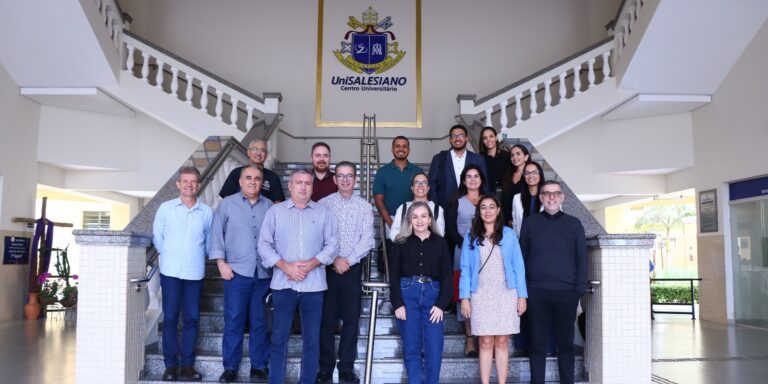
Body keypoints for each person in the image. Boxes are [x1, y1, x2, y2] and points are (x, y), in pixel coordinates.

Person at [258, 169, 339, 384]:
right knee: (278, 339)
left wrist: (312, 263)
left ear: (312, 187)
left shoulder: (323, 213)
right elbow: (264, 245)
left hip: (314, 286)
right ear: (290, 186)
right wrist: (285, 267)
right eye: (299, 183)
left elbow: (333, 244)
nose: (303, 187)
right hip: (283, 285)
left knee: (312, 341)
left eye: (307, 183)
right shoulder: (275, 212)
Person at [208, 165, 273, 383]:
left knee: (259, 322)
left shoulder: (270, 207)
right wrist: (220, 262)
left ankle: (259, 366)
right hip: (236, 273)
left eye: (257, 178)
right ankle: (230, 367)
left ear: (262, 182)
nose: (252, 182)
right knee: (234, 320)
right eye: (248, 178)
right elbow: (216, 234)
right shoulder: (227, 205)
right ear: (240, 181)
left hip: (264, 274)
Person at [519, 180, 588, 384]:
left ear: (562, 197)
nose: (551, 197)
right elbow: (521, 259)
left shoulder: (574, 224)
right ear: (540, 197)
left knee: (565, 344)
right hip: (536, 292)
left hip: (567, 293)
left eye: (555, 193)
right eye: (547, 194)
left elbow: (582, 259)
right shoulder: (530, 223)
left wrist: (579, 290)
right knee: (537, 344)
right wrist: (524, 290)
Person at [152, 166, 213, 382]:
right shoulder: (165, 209)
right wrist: (170, 255)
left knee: (192, 319)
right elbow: (158, 239)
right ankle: (170, 365)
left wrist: (195, 256)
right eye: (185, 181)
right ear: (178, 184)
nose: (189, 185)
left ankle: (187, 365)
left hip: (195, 273)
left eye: (193, 181)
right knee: (169, 318)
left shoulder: (206, 212)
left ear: (198, 185)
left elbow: (208, 243)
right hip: (170, 272)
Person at [316, 161, 375, 384]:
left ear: (356, 179)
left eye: (349, 176)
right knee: (327, 321)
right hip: (327, 270)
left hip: (351, 270)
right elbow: (319, 238)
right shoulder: (323, 205)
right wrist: (334, 260)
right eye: (341, 176)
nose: (345, 180)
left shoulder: (364, 207)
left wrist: (347, 260)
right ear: (334, 179)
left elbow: (367, 239)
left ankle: (346, 368)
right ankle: (325, 368)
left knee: (351, 320)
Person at [459, 196, 527, 384]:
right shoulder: (471, 236)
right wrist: (464, 297)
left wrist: (522, 296)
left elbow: (518, 267)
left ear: (498, 210)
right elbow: (465, 268)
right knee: (485, 342)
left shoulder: (509, 235)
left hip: (506, 293)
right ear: (479, 212)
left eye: (491, 207)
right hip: (480, 294)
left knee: (503, 341)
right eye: (483, 208)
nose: (487, 211)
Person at [389, 201, 452, 384]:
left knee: (434, 347)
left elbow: (447, 276)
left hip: (433, 296)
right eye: (415, 216)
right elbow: (393, 275)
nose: (419, 220)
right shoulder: (401, 242)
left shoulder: (440, 243)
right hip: (408, 294)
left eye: (423, 216)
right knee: (411, 347)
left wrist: (441, 305)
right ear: (409, 219)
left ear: (430, 219)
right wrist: (397, 303)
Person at [428, 124, 491, 210]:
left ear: (467, 138)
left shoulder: (478, 159)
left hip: (472, 208)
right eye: (454, 136)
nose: (457, 138)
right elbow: (432, 184)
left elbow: (485, 184)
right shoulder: (439, 158)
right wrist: (436, 207)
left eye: (461, 135)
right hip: (444, 208)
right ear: (449, 140)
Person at [373, 136, 424, 233]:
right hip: (390, 220)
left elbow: (423, 198)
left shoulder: (418, 171)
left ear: (408, 150)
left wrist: (417, 221)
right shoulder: (382, 172)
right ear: (392, 149)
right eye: (397, 146)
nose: (401, 149)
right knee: (392, 248)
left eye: (404, 146)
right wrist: (390, 223)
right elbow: (379, 201)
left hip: (415, 220)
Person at [219, 139, 286, 203]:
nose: (258, 153)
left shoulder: (273, 177)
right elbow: (227, 198)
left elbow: (278, 202)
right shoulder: (236, 173)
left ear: (266, 155)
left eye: (262, 150)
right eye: (255, 149)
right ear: (248, 152)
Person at [388, 172, 445, 240]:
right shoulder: (403, 208)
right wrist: (406, 243)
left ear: (428, 187)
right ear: (412, 188)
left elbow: (440, 234)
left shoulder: (437, 209)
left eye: (424, 183)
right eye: (416, 183)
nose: (420, 185)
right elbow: (394, 232)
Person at [511, 161, 545, 236]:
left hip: (543, 241)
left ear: (540, 174)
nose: (530, 176)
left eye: (534, 172)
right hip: (522, 241)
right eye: (527, 173)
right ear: (524, 176)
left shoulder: (549, 196)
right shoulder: (517, 198)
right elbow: (515, 223)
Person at [501, 144, 530, 225]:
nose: (514, 157)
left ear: (526, 157)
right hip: (508, 219)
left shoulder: (531, 176)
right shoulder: (507, 175)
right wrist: (508, 218)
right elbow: (505, 199)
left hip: (525, 218)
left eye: (518, 154)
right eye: (512, 155)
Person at [478, 127, 510, 197]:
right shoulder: (479, 159)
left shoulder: (507, 156)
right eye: (485, 138)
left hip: (506, 195)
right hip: (488, 196)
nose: (488, 140)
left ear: (496, 138)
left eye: (491, 136)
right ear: (482, 141)